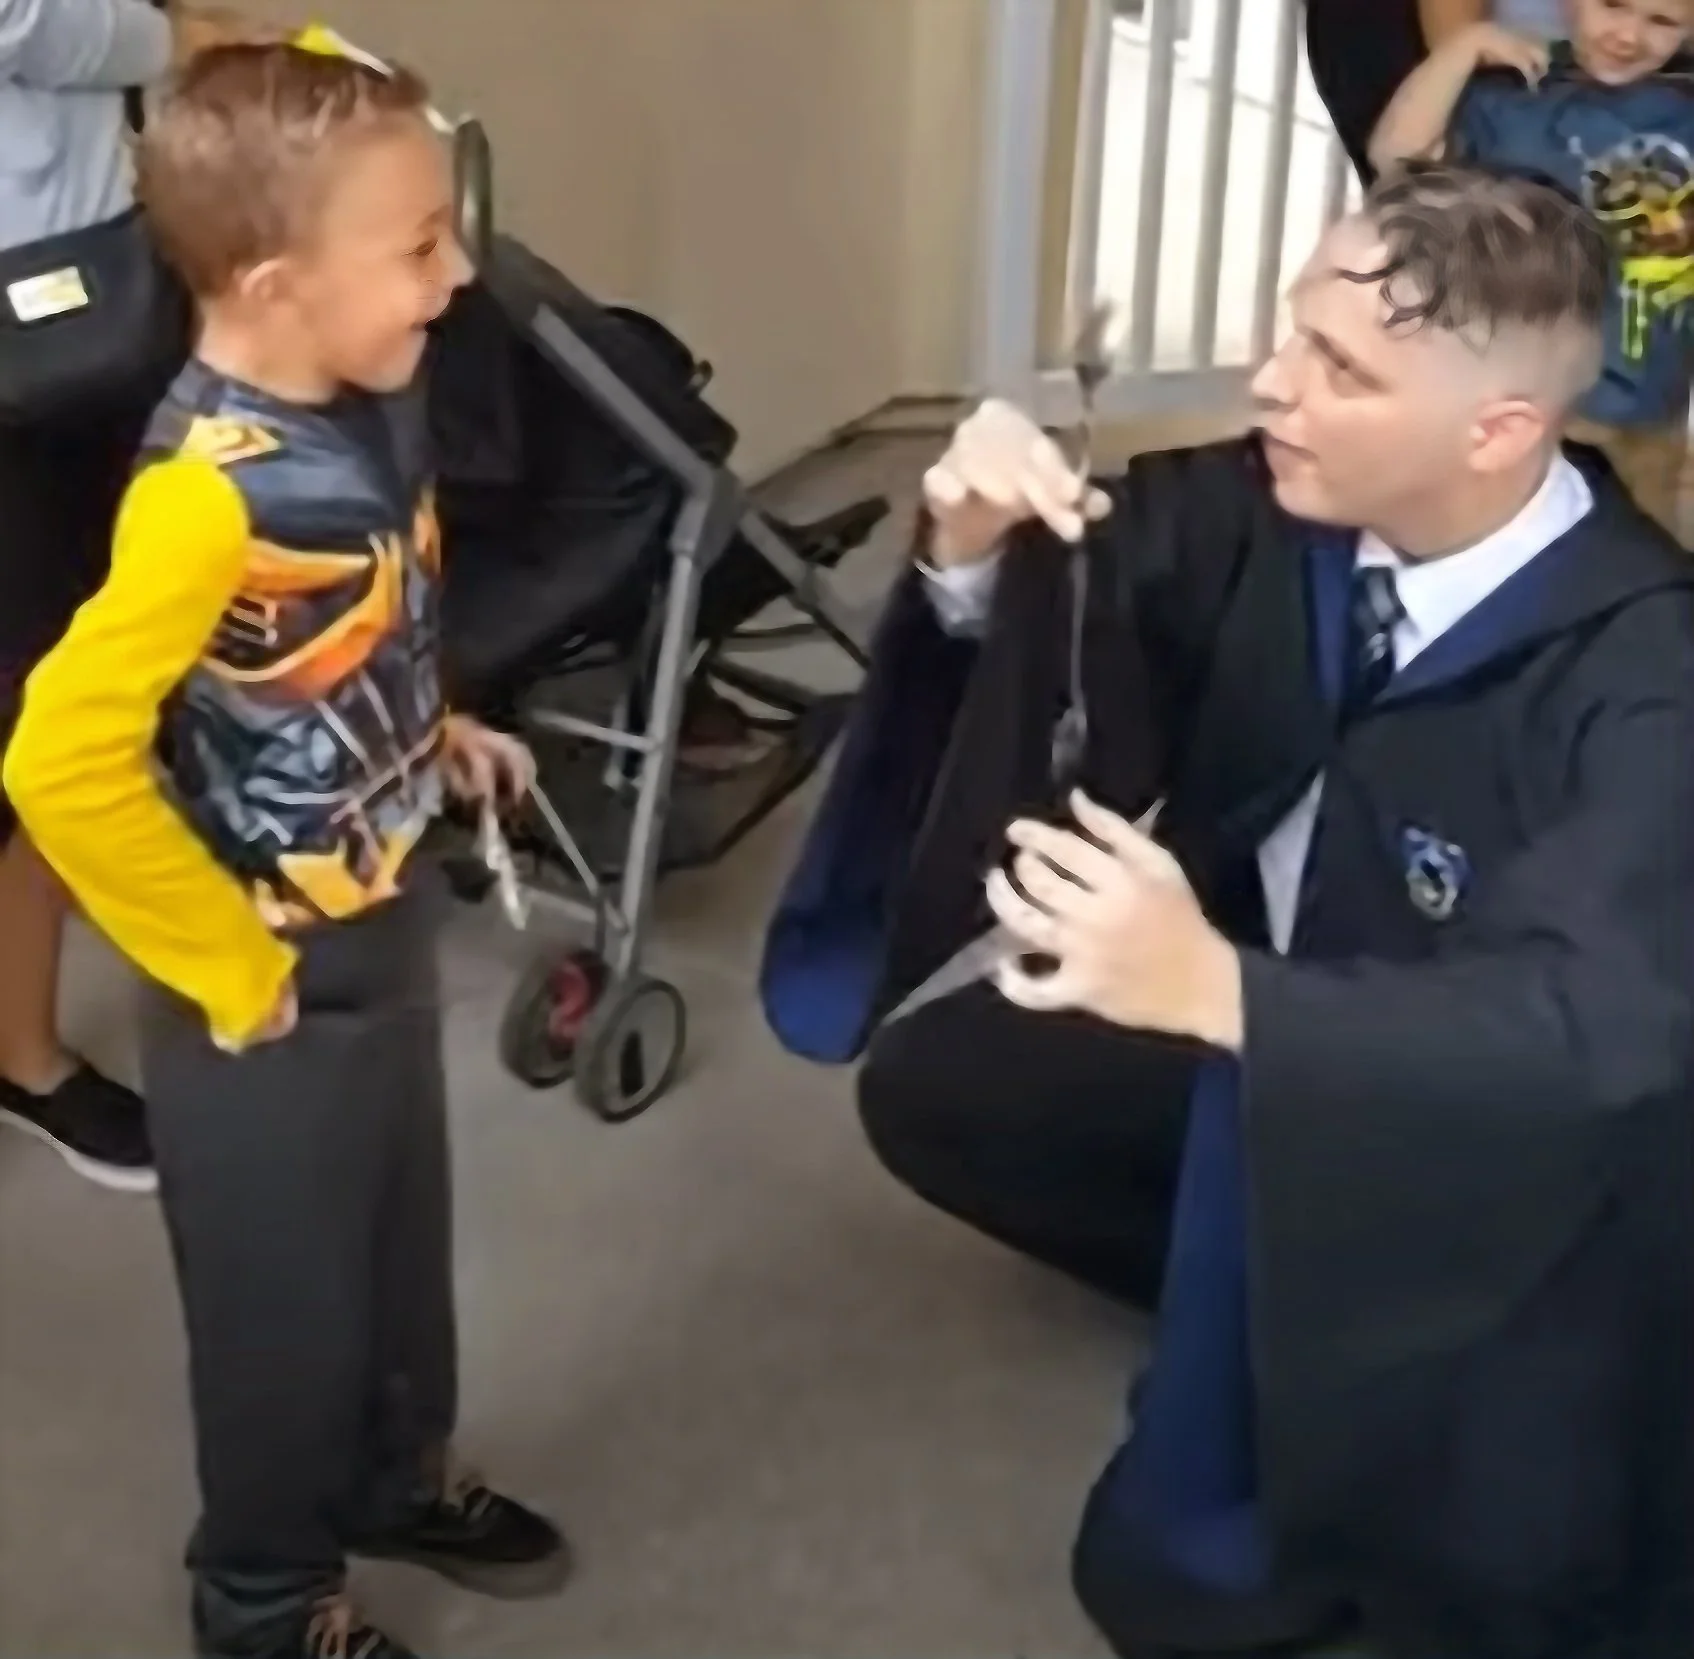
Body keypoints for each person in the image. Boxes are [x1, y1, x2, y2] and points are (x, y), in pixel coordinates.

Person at [761, 162, 1694, 1658]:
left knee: (1513, 1543)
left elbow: (1605, 1029)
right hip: (1259, 1059)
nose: (1269, 384)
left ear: (1496, 430)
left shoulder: (1645, 676)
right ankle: (1265, 1284)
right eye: (1289, 333)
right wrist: (967, 548)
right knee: (943, 1082)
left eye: (1339, 368)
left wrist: (1230, 998)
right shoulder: (1275, 508)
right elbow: (1068, 625)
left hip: (1487, 1155)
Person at [3, 44, 568, 1659]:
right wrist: (218, 953)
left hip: (377, 909)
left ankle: (396, 1470)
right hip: (250, 969)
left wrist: (434, 724)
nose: (456, 274)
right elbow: (58, 755)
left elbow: (348, 619)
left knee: (397, 1237)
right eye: (416, 248)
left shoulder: (367, 398)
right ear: (270, 282)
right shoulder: (199, 498)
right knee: (280, 1303)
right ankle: (264, 1597)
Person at [0, 0, 262, 1189]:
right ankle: (24, 1056)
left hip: (78, 275)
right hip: (33, 309)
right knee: (44, 690)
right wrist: (179, 41)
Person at [1370, 0, 1694, 535]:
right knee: (1501, 552)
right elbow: (1396, 154)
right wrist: (1463, 49)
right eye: (1613, 6)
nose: (1630, 35)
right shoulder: (1516, 88)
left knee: (1644, 567)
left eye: (1662, 22)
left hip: (1648, 413)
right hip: (1517, 398)